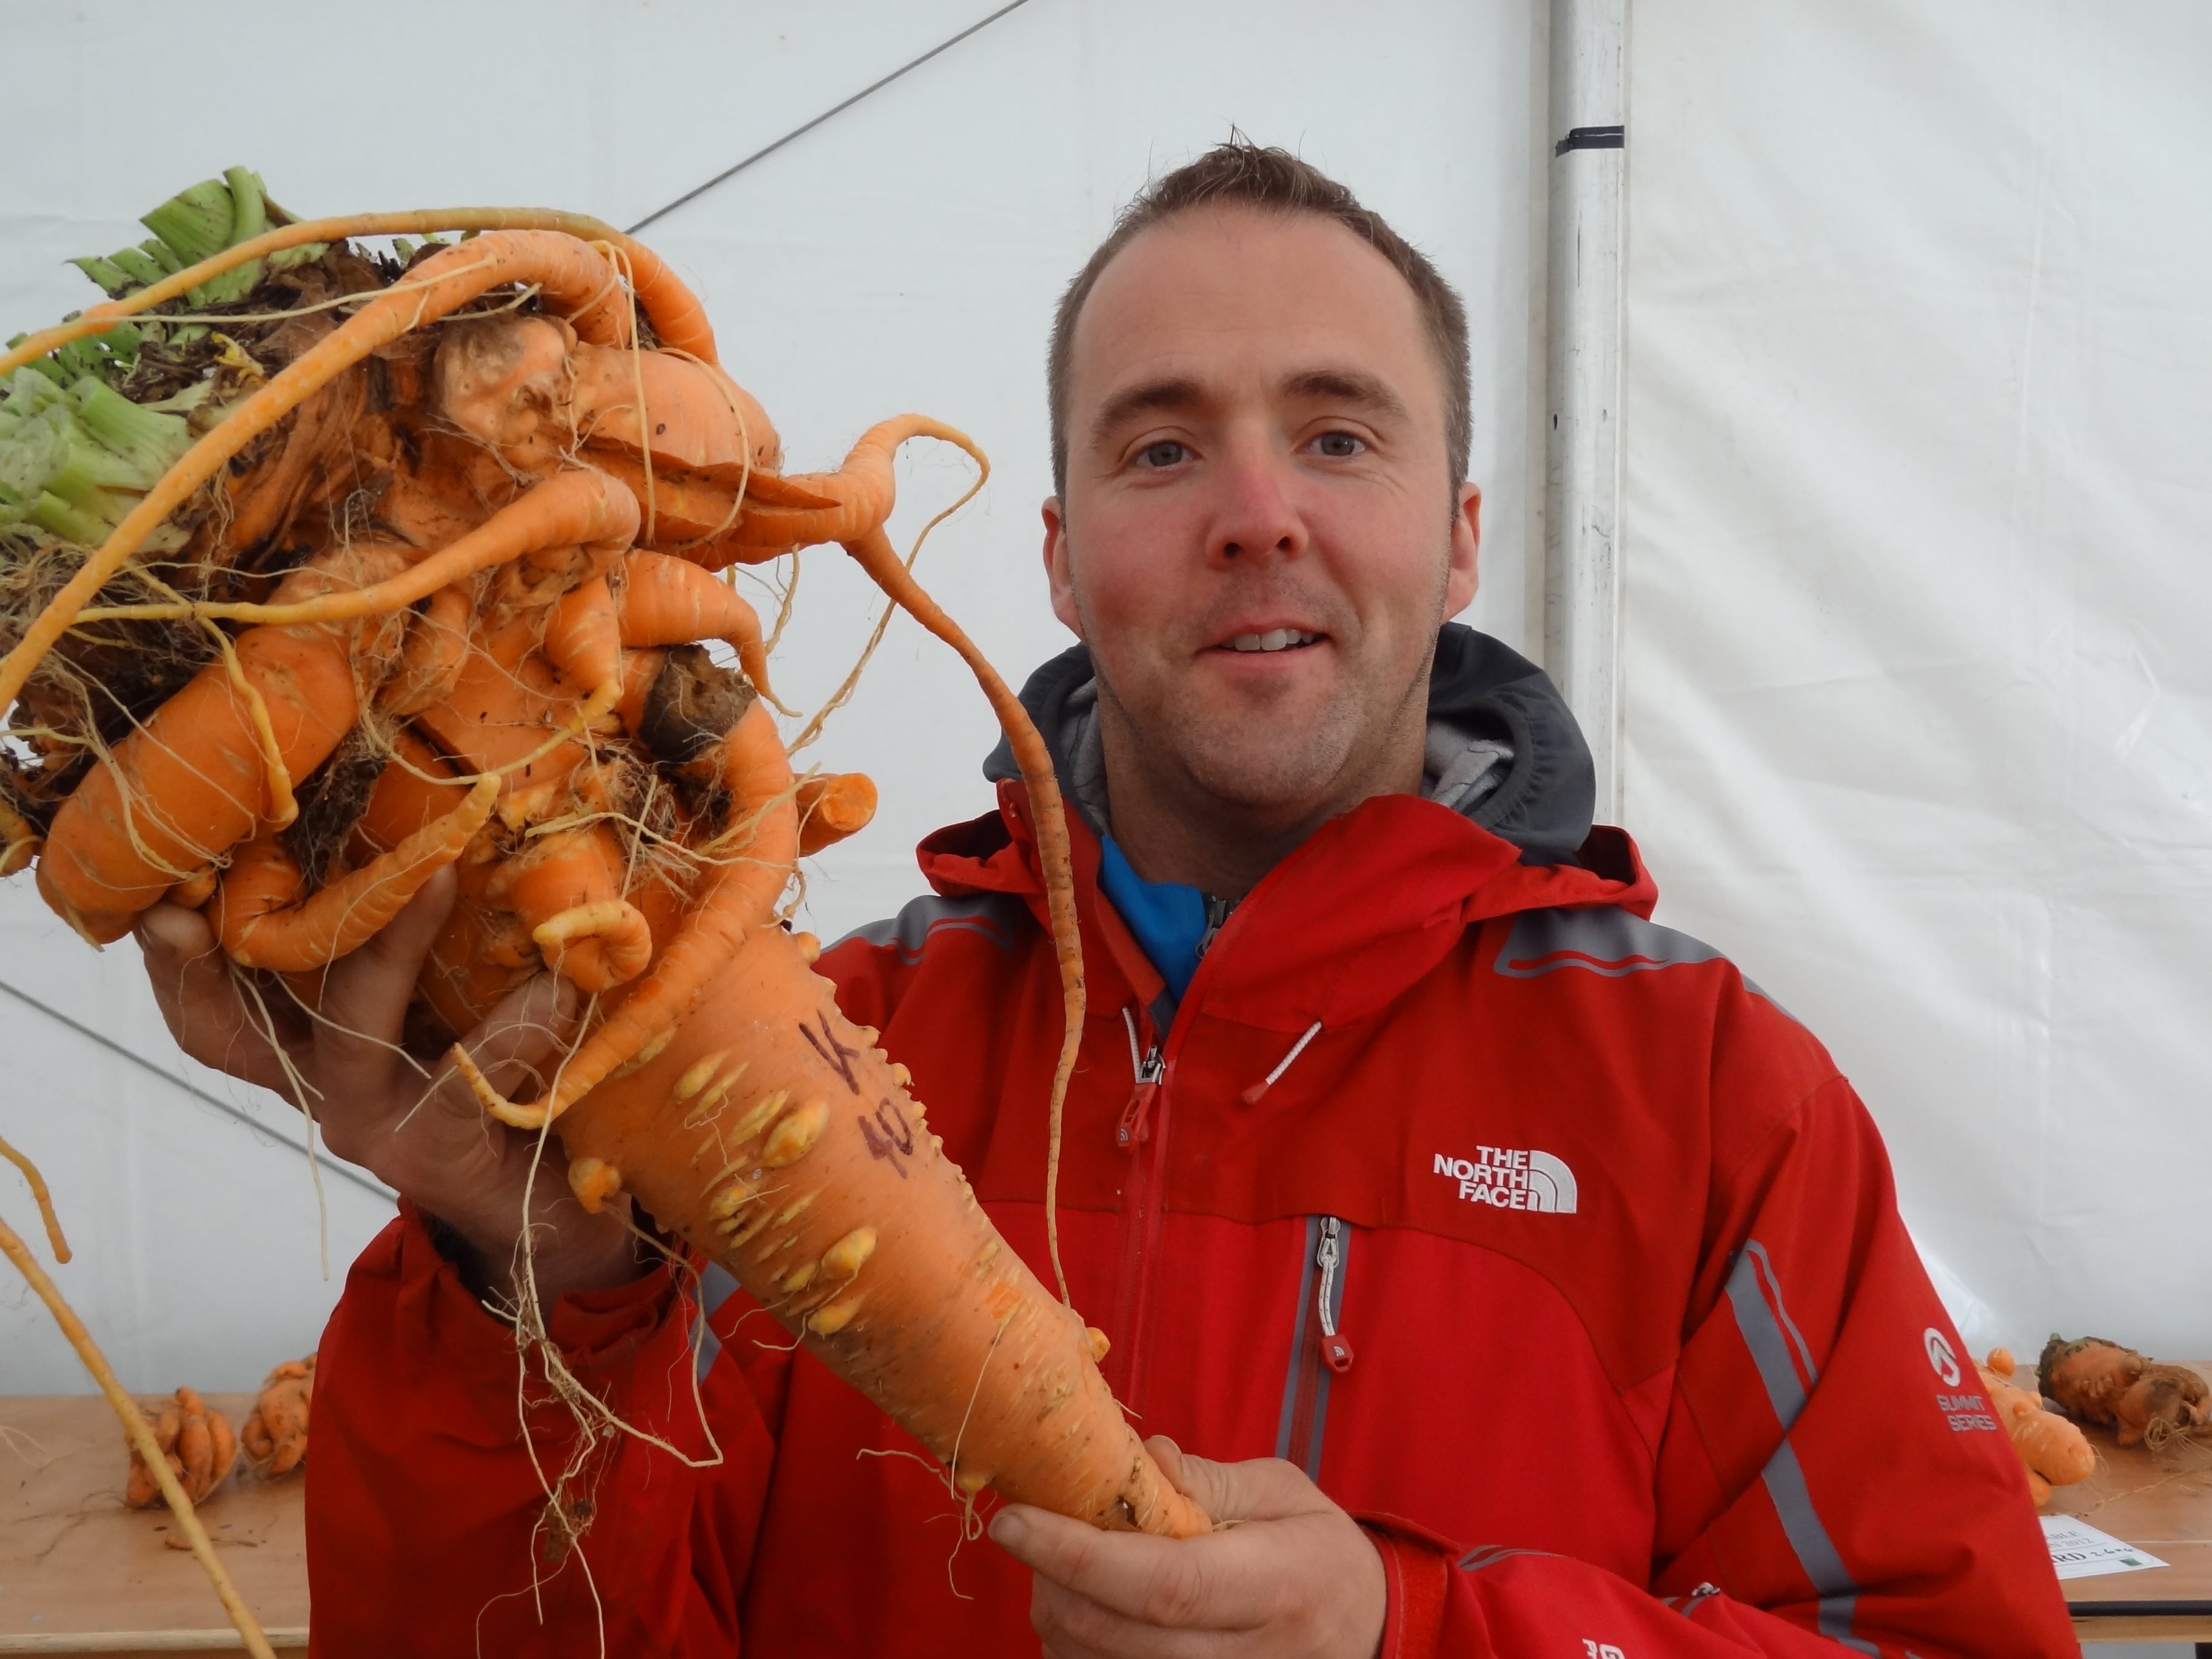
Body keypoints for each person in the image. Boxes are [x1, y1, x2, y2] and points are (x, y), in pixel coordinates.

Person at [136, 141, 2074, 1658]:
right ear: (1059, 558)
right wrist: (527, 1297)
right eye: (1163, 446)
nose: (1256, 511)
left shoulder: (1716, 1097)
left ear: (1464, 530)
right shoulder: (779, 1044)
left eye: (1339, 432)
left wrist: (1417, 1633)